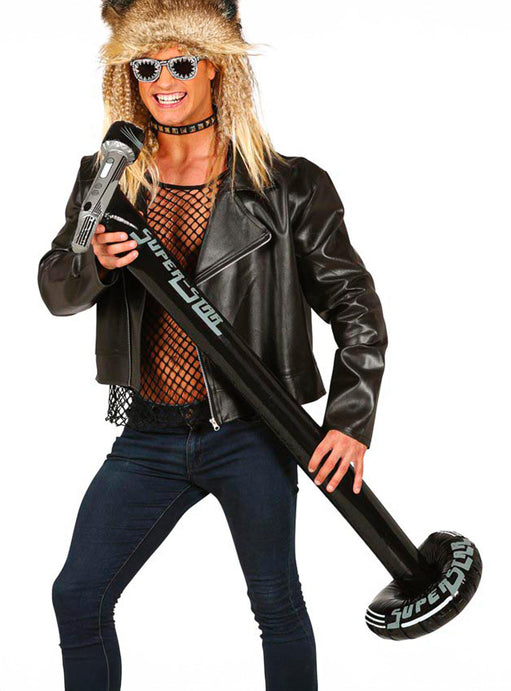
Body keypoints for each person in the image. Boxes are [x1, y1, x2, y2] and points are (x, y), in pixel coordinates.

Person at [37, 1, 388, 689]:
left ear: (215, 68)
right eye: (146, 68)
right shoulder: (107, 178)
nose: (163, 81)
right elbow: (56, 288)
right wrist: (94, 265)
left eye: (180, 63)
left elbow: (355, 307)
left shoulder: (288, 186)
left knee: (276, 604)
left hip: (253, 431)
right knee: (77, 595)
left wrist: (350, 419)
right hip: (148, 434)